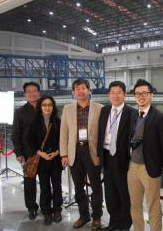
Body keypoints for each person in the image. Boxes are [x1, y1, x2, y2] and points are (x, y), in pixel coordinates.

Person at [60, 78, 103, 230]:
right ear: (73, 92)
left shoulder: (100, 108)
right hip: (74, 152)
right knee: (79, 187)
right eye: (77, 89)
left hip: (92, 151)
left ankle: (97, 217)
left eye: (83, 88)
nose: (80, 91)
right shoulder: (67, 109)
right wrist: (64, 153)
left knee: (96, 186)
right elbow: (64, 132)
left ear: (89, 90)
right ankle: (84, 215)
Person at [127, 79, 163, 231]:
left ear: (151, 95)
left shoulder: (160, 117)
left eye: (144, 93)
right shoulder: (133, 115)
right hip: (132, 166)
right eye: (137, 94)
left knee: (153, 205)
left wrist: (162, 168)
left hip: (149, 168)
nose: (141, 96)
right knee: (135, 205)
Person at [98, 81, 136, 231]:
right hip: (106, 156)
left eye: (119, 92)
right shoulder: (105, 110)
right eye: (112, 92)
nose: (115, 95)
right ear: (108, 95)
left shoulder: (132, 113)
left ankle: (124, 225)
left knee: (124, 193)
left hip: (122, 159)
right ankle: (113, 222)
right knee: (110, 192)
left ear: (125, 95)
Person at [27, 95, 62, 225]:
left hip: (55, 158)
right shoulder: (35, 122)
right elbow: (29, 140)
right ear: (40, 107)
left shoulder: (58, 121)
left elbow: (63, 139)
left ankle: (57, 210)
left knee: (57, 185)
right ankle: (46, 211)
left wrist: (57, 152)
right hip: (41, 160)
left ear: (53, 107)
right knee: (44, 186)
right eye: (44, 105)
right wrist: (40, 153)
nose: (47, 107)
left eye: (50, 105)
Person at [12, 81, 40, 220]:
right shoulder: (20, 112)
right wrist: (19, 153)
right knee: (29, 182)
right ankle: (31, 207)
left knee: (47, 181)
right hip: (29, 153)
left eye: (34, 91)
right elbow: (15, 134)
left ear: (38, 93)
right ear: (25, 94)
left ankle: (47, 206)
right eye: (28, 91)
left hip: (46, 152)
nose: (32, 93)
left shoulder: (46, 107)